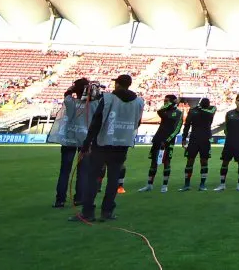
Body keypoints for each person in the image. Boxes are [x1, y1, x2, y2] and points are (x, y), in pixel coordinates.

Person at [69, 75, 144, 223]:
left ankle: (88, 212)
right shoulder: (139, 102)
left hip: (103, 143)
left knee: (93, 178)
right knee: (113, 179)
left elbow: (97, 121)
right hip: (122, 144)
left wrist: (86, 143)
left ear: (117, 85)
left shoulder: (109, 98)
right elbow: (138, 122)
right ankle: (107, 211)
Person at [53, 78, 92, 208]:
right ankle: (79, 198)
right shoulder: (92, 103)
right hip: (84, 140)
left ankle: (60, 200)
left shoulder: (70, 101)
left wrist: (72, 89)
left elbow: (67, 94)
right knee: (82, 170)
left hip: (69, 138)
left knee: (65, 170)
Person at [138, 94, 183, 193]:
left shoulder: (179, 113)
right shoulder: (164, 111)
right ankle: (149, 185)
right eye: (164, 101)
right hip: (158, 139)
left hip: (168, 141)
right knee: (153, 162)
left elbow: (177, 129)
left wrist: (168, 139)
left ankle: (164, 185)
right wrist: (169, 104)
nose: (165, 102)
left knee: (166, 162)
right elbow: (159, 111)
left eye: (167, 101)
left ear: (172, 101)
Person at [215, 94, 239, 191]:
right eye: (238, 100)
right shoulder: (229, 113)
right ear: (235, 102)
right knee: (225, 162)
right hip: (229, 142)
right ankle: (222, 184)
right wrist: (230, 136)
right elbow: (226, 127)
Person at [180, 98, 216, 191]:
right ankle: (187, 184)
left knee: (204, 161)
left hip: (205, 139)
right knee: (190, 161)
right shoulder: (192, 111)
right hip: (194, 139)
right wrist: (184, 137)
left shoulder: (211, 109)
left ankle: (202, 184)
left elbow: (210, 111)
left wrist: (199, 108)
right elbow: (187, 124)